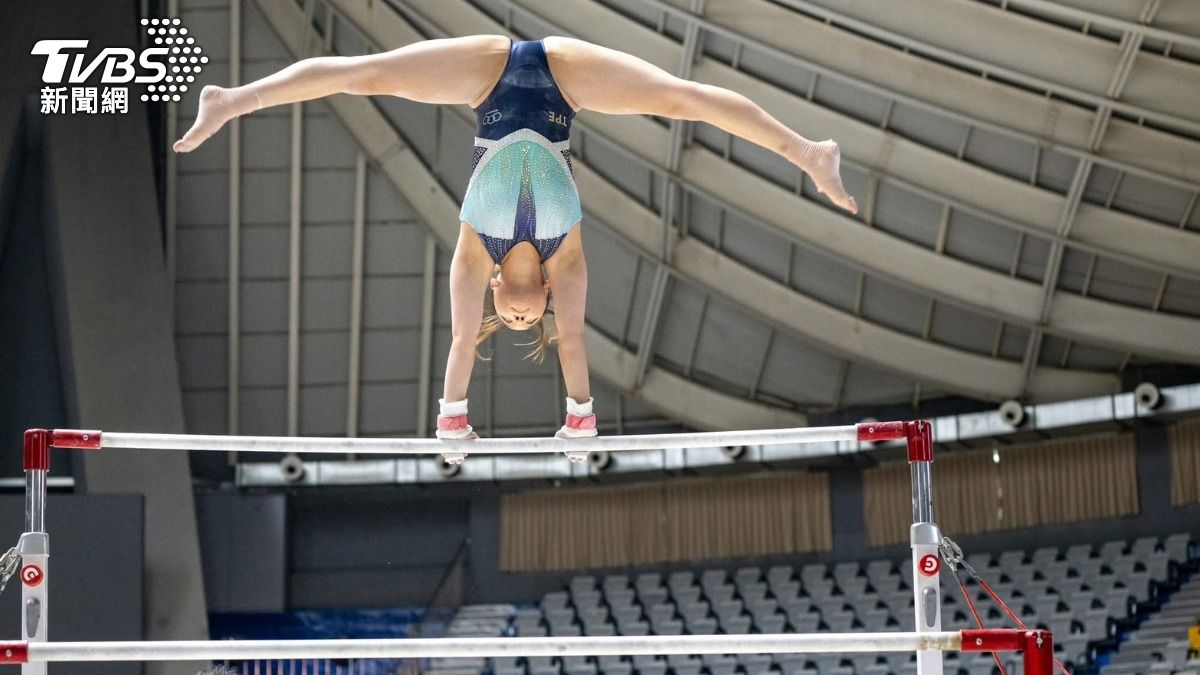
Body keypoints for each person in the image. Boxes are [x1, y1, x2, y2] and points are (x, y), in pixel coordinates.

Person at [173, 35, 859, 458]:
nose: (526, 319)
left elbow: (462, 341)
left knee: (369, 75)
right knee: (680, 100)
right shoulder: (567, 259)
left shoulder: (475, 254)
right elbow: (575, 344)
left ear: (501, 295)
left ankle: (232, 100)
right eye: (534, 322)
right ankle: (231, 99)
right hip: (563, 82)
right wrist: (579, 420)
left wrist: (452, 421)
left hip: (485, 80)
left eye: (516, 321)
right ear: (547, 303)